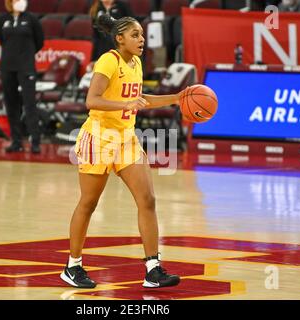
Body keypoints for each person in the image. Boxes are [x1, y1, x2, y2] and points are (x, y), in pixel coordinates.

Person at [60, 14, 186, 289]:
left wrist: (176, 98)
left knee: (148, 199)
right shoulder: (109, 60)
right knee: (89, 203)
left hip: (126, 138)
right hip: (99, 138)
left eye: (142, 35)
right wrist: (126, 104)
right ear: (120, 38)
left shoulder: (136, 63)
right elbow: (92, 100)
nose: (142, 40)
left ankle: (153, 269)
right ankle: (73, 266)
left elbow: (140, 100)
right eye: (135, 35)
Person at [0, 0, 44, 154]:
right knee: (11, 104)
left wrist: (26, 54)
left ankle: (35, 141)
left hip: (26, 67)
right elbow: (1, 40)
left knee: (30, 104)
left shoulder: (31, 19)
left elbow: (40, 41)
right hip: (7, 67)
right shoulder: (3, 19)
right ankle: (16, 141)